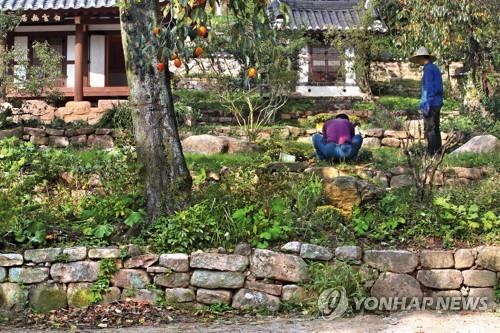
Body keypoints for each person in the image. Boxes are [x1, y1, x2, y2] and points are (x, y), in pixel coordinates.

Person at [409, 47, 444, 155]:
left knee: (430, 129)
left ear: (421, 58)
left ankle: (432, 153)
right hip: (437, 102)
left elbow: (429, 89)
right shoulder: (435, 68)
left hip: (431, 102)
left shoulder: (428, 69)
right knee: (436, 128)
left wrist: (425, 105)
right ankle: (438, 152)